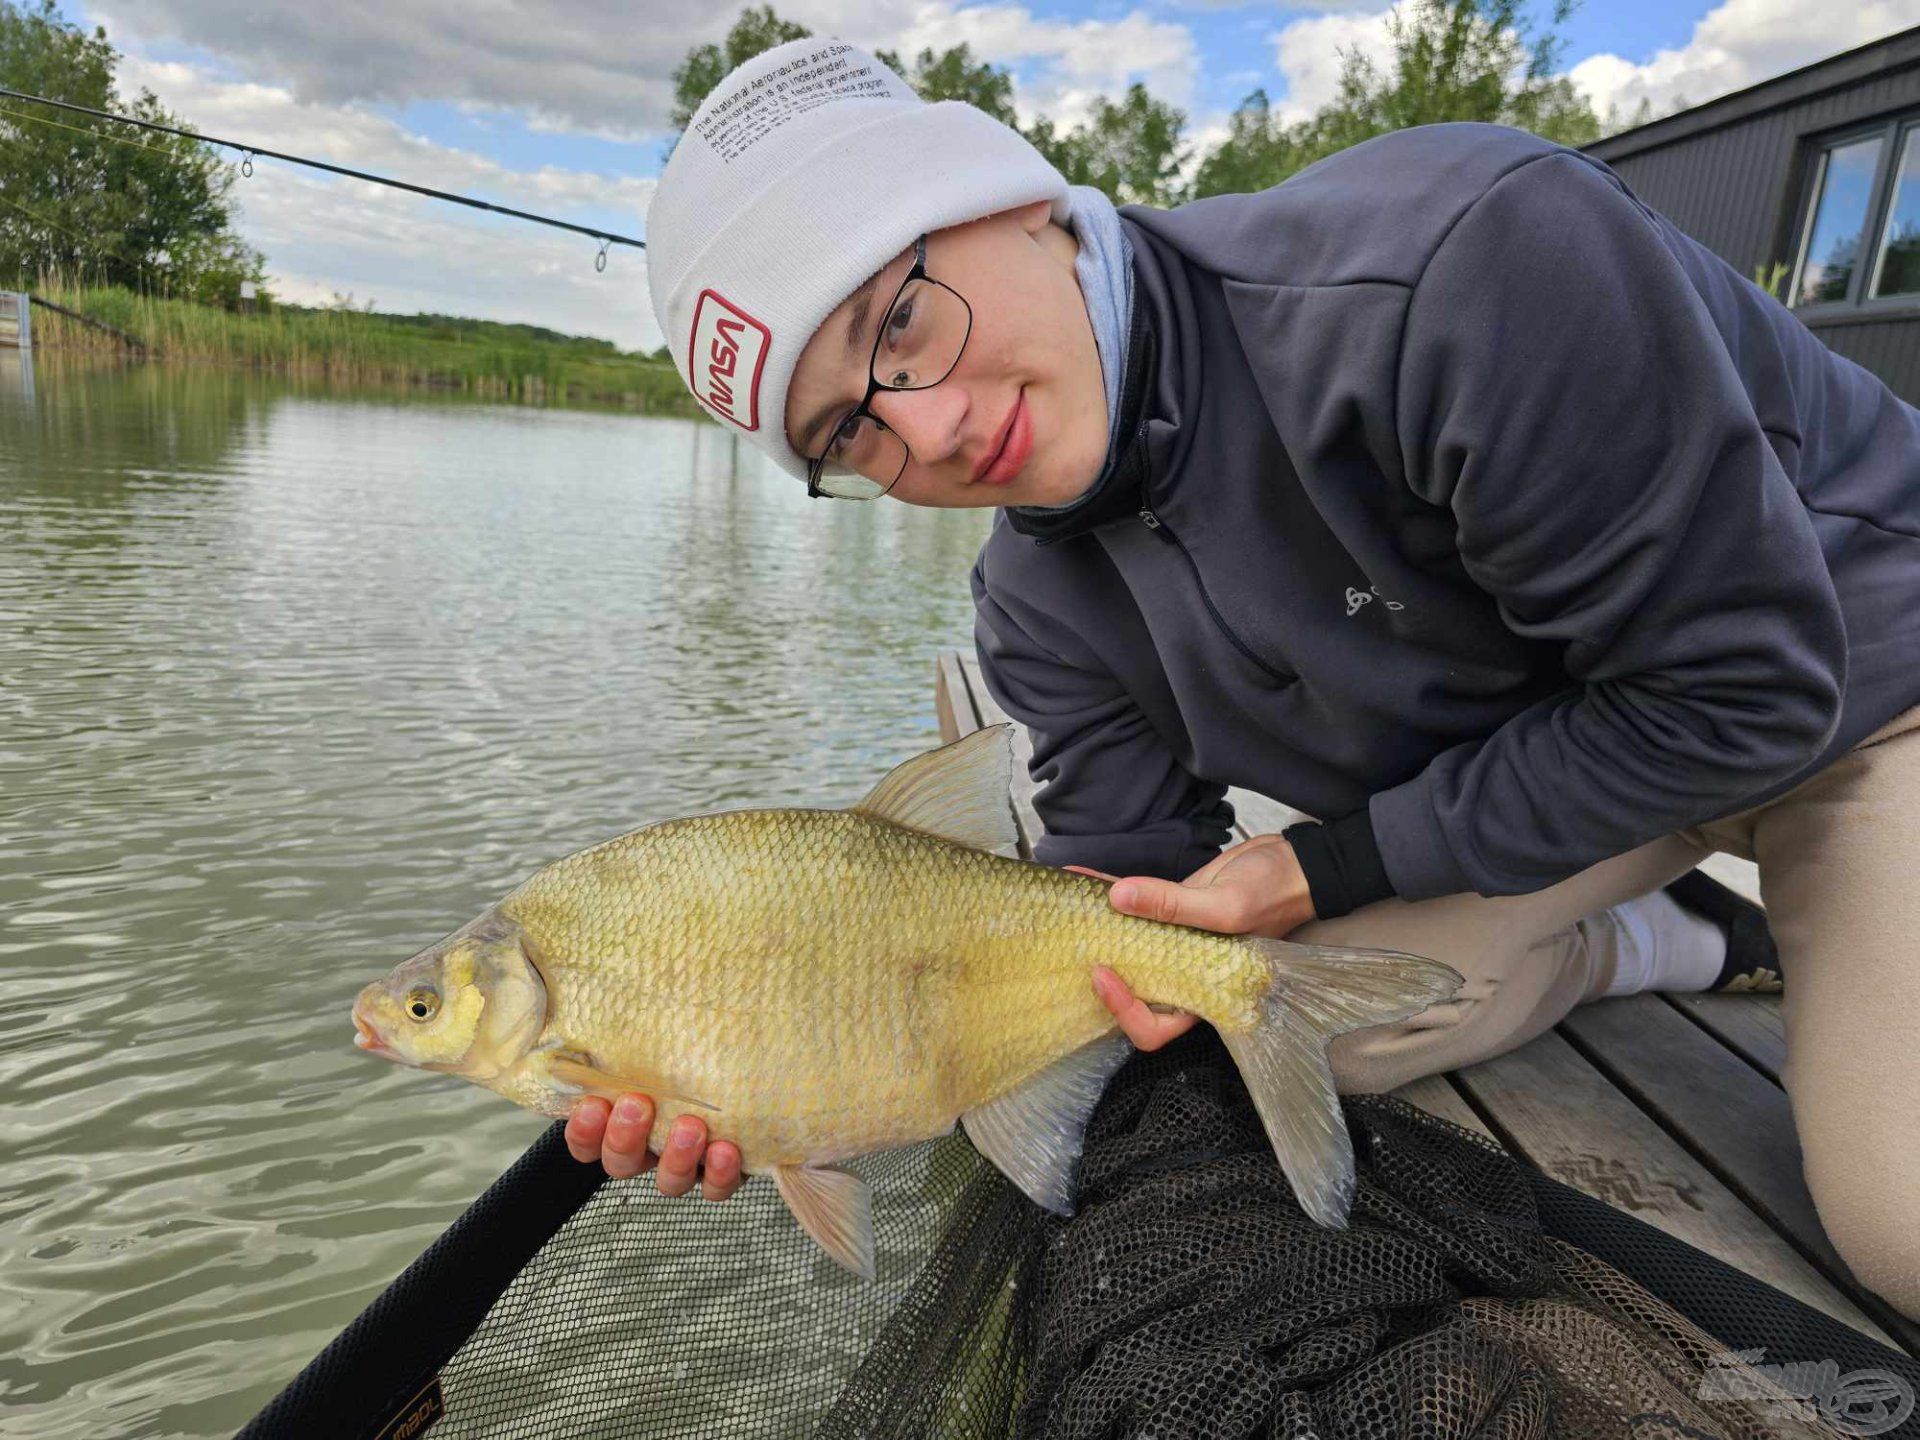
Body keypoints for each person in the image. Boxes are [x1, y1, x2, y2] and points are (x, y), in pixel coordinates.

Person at [572, 38, 1920, 1317]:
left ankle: (1728, 908)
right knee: (1297, 1023)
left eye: (904, 322)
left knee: (1902, 1230)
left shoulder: (1460, 258)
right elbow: (1130, 895)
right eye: (848, 433)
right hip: (1563, 764)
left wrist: (1311, 869)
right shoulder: (1032, 600)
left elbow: (1744, 691)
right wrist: (786, 1060)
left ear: (1023, 201)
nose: (930, 427)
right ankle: (1667, 935)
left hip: (1850, 690)